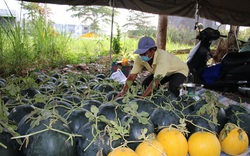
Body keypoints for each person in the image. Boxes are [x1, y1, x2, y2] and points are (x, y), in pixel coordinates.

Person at [115, 36, 189, 99]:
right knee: (145, 85)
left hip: (179, 71)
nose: (142, 56)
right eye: (140, 53)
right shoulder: (139, 59)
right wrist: (123, 91)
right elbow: (132, 76)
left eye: (144, 53)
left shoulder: (162, 57)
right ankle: (154, 99)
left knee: (173, 87)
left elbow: (156, 81)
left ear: (153, 50)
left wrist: (142, 97)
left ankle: (177, 101)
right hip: (164, 73)